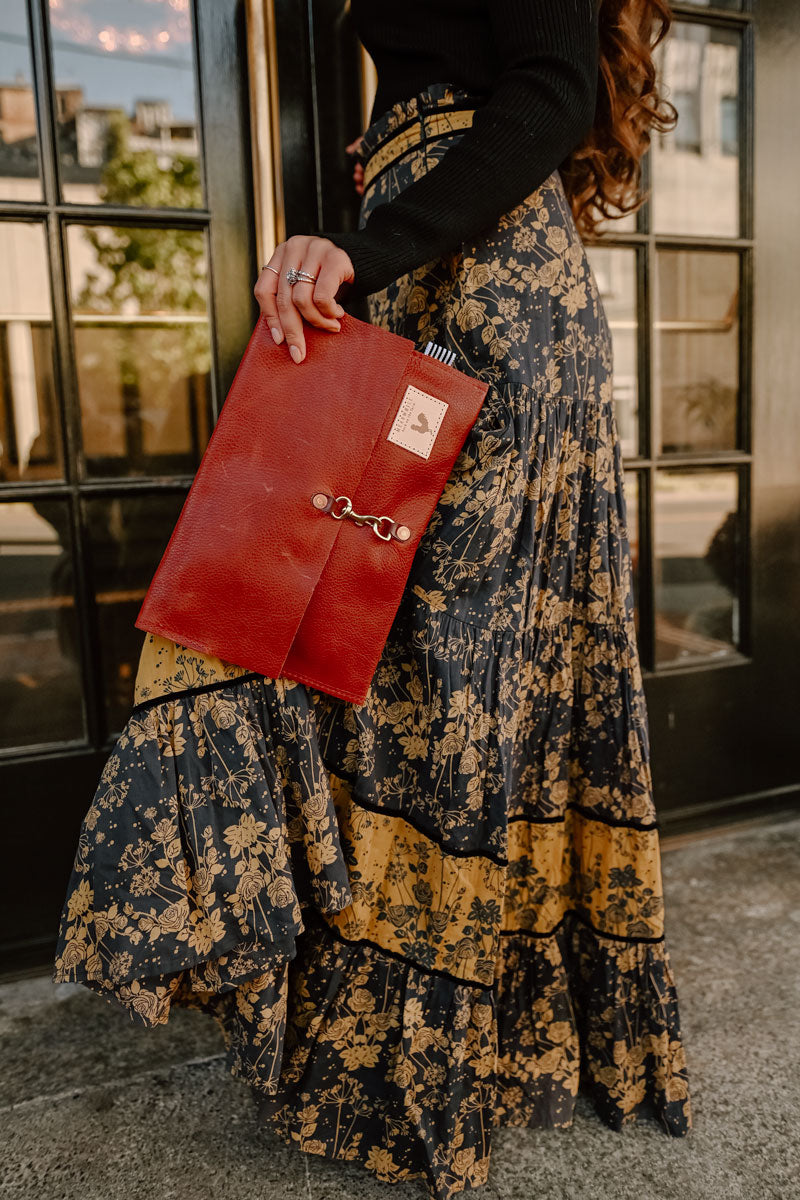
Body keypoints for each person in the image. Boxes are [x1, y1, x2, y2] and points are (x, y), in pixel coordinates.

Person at [53, 1, 692, 1196]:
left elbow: (547, 90)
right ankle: (390, 1045)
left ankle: (443, 1061)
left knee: (444, 669)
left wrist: (366, 241)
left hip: (480, 299)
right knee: (340, 636)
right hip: (416, 280)